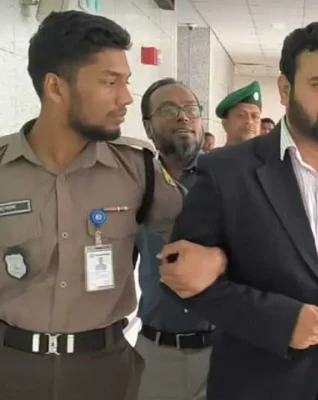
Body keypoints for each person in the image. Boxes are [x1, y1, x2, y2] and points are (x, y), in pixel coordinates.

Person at [158, 21, 318, 400]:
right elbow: (178, 278)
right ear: (285, 89)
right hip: (259, 382)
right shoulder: (227, 171)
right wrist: (278, 321)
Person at [0, 11, 225, 400]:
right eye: (110, 82)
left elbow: (203, 236)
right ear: (55, 87)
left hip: (105, 370)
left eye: (126, 82)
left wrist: (216, 258)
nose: (125, 98)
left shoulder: (137, 169)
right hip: (11, 367)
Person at [135, 78, 213, 400]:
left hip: (224, 352)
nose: (183, 116)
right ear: (148, 126)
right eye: (169, 110)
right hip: (157, 355)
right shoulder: (135, 184)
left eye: (191, 109)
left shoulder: (227, 179)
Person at [216, 80, 262, 145]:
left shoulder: (269, 152)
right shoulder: (216, 153)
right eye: (241, 115)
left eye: (255, 116)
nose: (249, 121)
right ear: (225, 124)